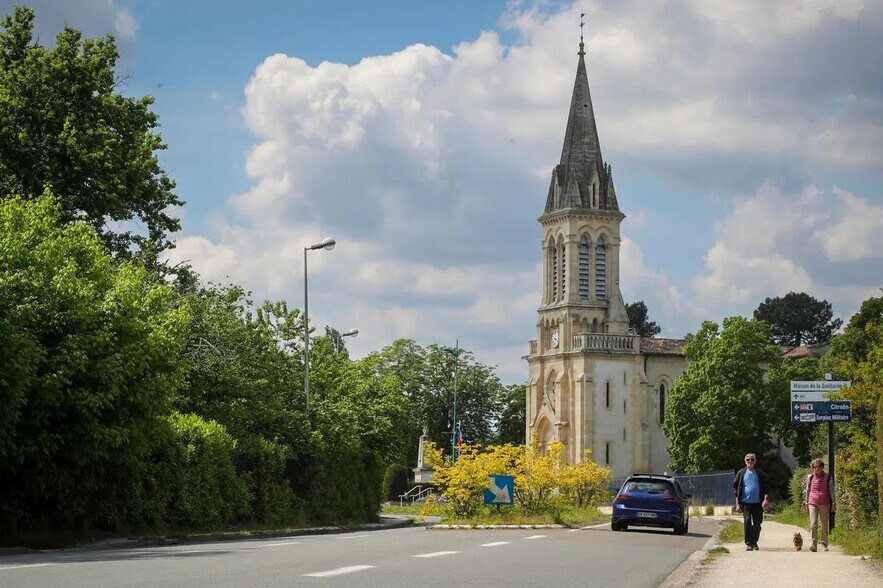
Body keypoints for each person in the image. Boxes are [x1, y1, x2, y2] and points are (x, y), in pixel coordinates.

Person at [733, 453, 770, 551]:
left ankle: (755, 542)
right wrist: (737, 503)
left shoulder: (759, 473)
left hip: (758, 503)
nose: (750, 461)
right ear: (745, 461)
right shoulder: (741, 473)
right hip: (745, 503)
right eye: (748, 460)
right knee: (747, 522)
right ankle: (749, 543)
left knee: (757, 523)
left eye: (752, 459)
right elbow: (736, 489)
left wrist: (766, 499)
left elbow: (766, 486)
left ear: (755, 461)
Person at [803, 459, 835, 552]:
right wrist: (806, 502)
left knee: (824, 524)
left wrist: (833, 502)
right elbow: (808, 489)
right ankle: (814, 544)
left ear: (821, 467)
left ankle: (824, 542)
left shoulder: (828, 477)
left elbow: (831, 490)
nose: (816, 469)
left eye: (818, 467)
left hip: (825, 502)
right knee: (813, 523)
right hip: (812, 502)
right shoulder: (810, 477)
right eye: (814, 467)